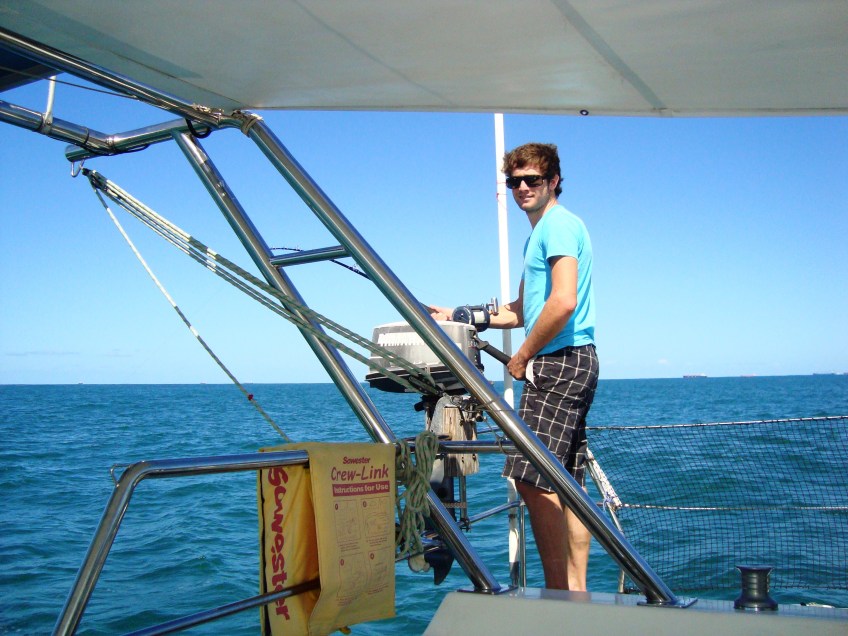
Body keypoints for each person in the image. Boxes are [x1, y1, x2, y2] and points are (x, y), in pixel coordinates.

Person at [430, 142, 598, 591]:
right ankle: (577, 592)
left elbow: (563, 302)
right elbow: (523, 309)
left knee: (531, 479)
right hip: (575, 361)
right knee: (568, 483)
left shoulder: (557, 226)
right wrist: (460, 314)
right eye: (514, 181)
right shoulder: (541, 234)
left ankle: (559, 595)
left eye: (532, 179)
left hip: (557, 362)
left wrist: (522, 356)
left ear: (554, 181)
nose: (522, 187)